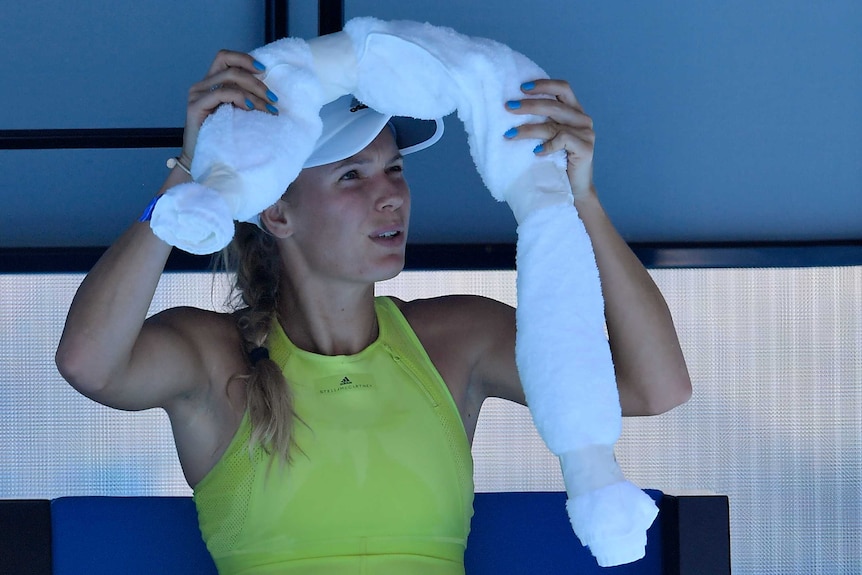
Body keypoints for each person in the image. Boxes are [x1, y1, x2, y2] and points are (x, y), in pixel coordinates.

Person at [56, 49, 691, 574]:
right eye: (353, 177)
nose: (391, 196)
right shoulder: (211, 357)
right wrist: (191, 178)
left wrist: (578, 198)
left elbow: (656, 384)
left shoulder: (457, 338)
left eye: (394, 169)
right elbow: (88, 363)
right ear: (277, 213)